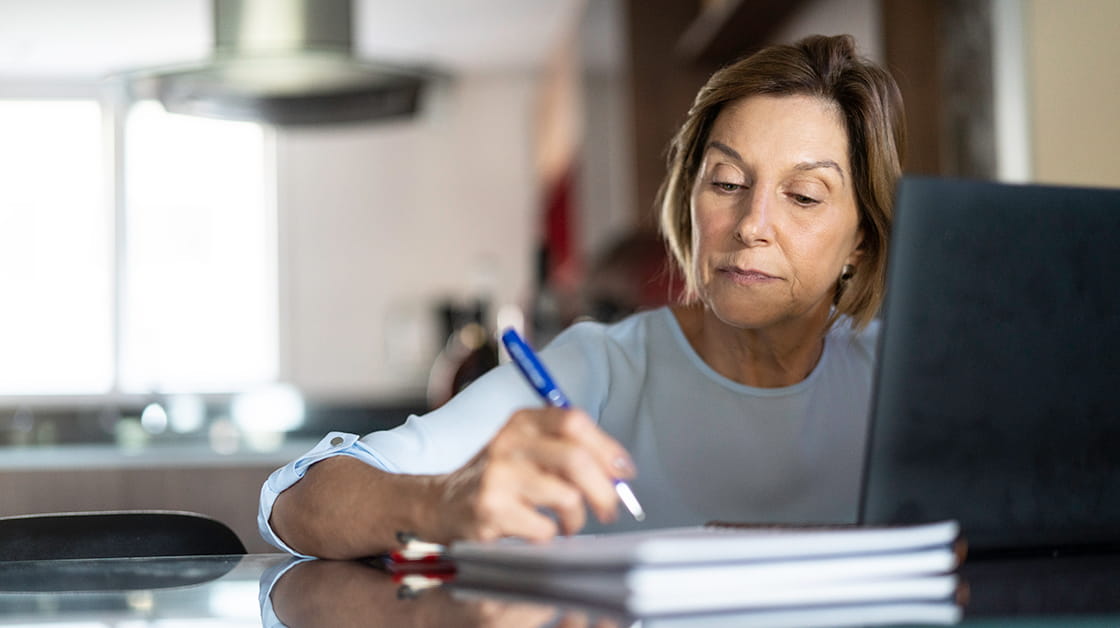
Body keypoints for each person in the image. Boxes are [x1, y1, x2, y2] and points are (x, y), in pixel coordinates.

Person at [258, 33, 905, 559]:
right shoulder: (598, 370)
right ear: (690, 201)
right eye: (727, 182)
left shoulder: (905, 383)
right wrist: (438, 503)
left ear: (859, 240)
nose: (751, 224)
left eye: (803, 196)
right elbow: (293, 498)